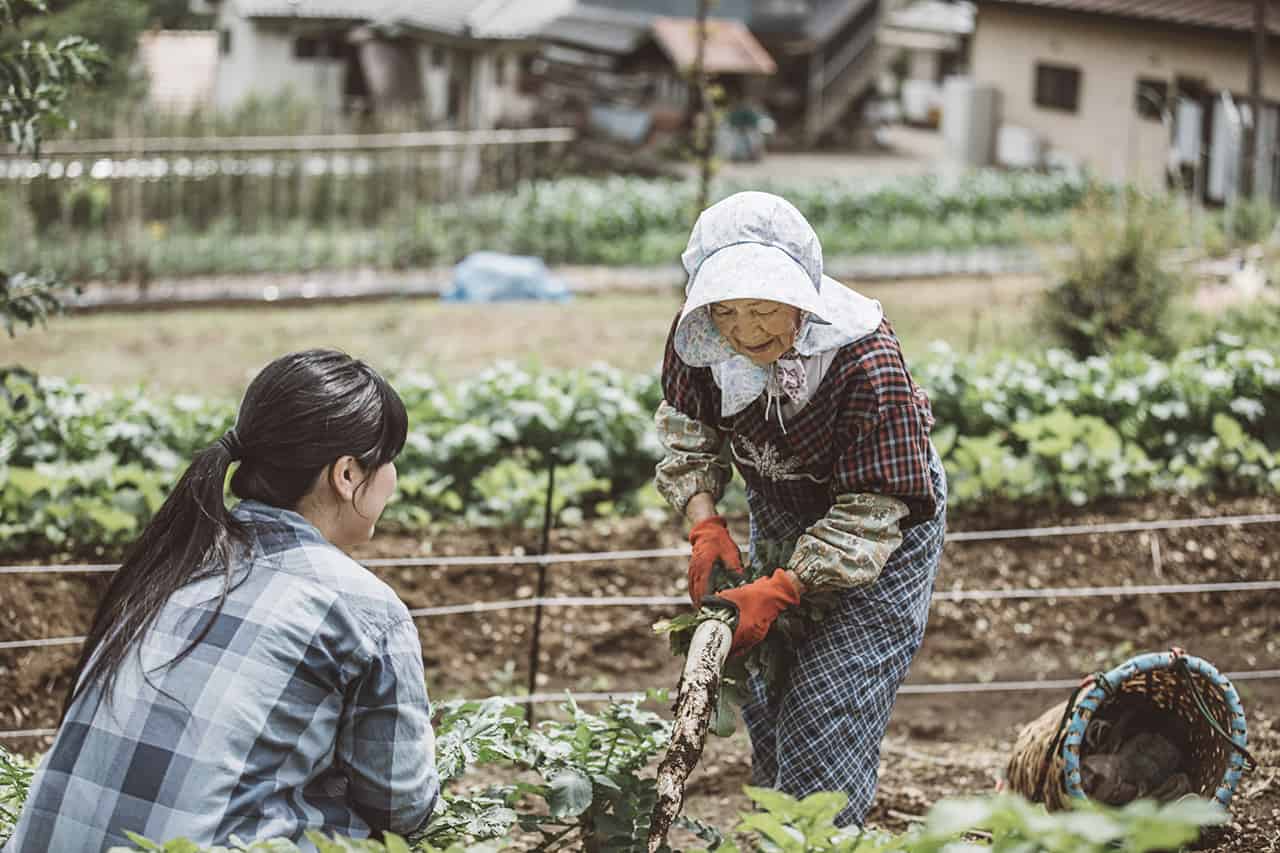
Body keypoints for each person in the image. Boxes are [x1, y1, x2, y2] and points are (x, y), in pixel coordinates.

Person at [3, 350, 438, 852]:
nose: (392, 477)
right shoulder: (364, 609)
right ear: (346, 475)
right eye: (388, 459)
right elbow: (402, 807)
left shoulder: (173, 565)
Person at [654, 191, 946, 826]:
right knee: (768, 689)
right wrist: (705, 523)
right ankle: (780, 829)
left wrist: (783, 587)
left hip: (881, 528)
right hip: (783, 511)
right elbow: (688, 429)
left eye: (763, 309)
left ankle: (820, 835)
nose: (744, 330)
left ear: (800, 295)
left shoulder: (863, 360)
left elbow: (877, 506)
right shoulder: (700, 337)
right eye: (726, 311)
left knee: (828, 699)